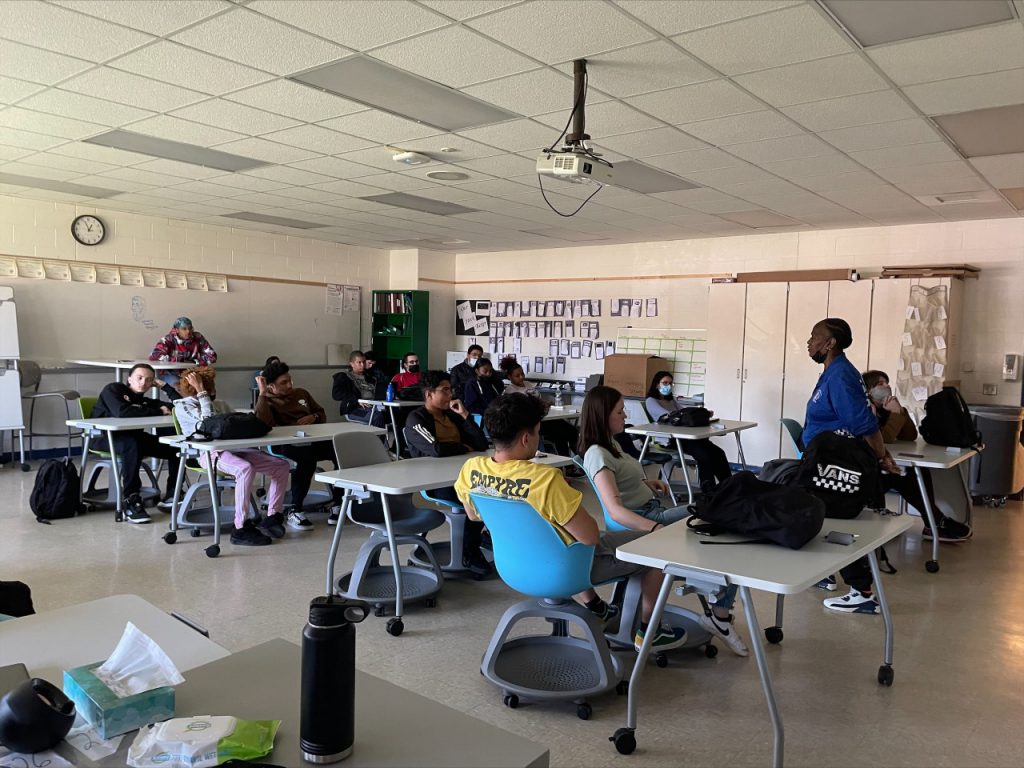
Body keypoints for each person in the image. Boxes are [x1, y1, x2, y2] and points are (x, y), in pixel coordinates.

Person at [454, 393, 687, 652]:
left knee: (564, 535)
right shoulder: (545, 479)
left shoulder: (471, 469)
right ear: (526, 438)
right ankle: (649, 631)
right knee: (651, 549)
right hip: (566, 569)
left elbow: (474, 515)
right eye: (538, 431)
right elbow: (590, 538)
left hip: (513, 566)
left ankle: (598, 608)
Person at [578, 386, 748, 655]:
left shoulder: (612, 445)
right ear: (602, 417)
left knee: (722, 511)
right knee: (727, 518)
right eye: (619, 412)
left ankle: (719, 609)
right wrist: (655, 529)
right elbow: (615, 511)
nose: (625, 416)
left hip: (649, 509)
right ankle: (720, 615)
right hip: (645, 519)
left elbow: (620, 481)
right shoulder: (598, 453)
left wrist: (646, 482)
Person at [804, 318, 901, 615]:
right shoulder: (834, 371)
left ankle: (862, 592)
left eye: (814, 336)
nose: (809, 342)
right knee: (825, 519)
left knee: (841, 522)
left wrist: (881, 456)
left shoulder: (841, 375)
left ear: (830, 343)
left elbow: (863, 422)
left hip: (838, 464)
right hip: (826, 460)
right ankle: (828, 575)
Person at [174, 368, 291, 545]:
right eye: (207, 386)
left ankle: (273, 516)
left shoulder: (221, 404)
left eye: (210, 386)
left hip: (236, 449)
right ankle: (240, 527)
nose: (212, 390)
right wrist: (201, 392)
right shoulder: (183, 406)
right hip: (208, 454)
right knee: (244, 468)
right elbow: (207, 423)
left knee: (281, 466)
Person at [862, 370, 971, 542]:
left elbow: (909, 435)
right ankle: (936, 521)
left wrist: (900, 412)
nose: (886, 386)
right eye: (880, 384)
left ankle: (933, 522)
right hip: (867, 469)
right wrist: (896, 415)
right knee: (903, 476)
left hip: (882, 465)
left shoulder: (888, 407)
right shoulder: (866, 409)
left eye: (886, 382)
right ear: (868, 391)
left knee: (917, 471)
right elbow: (885, 439)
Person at [405, 370, 490, 574]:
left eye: (450, 390)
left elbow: (480, 444)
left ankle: (479, 538)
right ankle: (470, 550)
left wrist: (465, 415)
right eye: (445, 390)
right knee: (474, 498)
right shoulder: (416, 418)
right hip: (435, 482)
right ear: (429, 394)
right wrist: (462, 447)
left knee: (492, 493)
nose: (450, 395)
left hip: (460, 475)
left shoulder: (451, 415)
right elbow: (435, 449)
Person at [90, 363, 181, 524]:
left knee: (176, 447)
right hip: (103, 439)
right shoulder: (114, 390)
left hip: (134, 440)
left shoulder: (144, 401)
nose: (143, 383)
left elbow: (179, 407)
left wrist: (166, 387)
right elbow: (122, 412)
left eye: (149, 380)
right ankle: (131, 499)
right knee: (131, 443)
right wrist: (158, 411)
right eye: (139, 378)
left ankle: (173, 493)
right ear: (129, 379)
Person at [255, 360, 341, 530]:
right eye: (283, 383)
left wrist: (313, 418)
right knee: (307, 460)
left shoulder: (301, 393)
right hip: (284, 444)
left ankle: (339, 503)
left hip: (311, 439)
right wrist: (262, 394)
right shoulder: (268, 401)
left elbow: (321, 413)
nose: (290, 385)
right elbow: (262, 423)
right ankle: (295, 510)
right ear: (271, 386)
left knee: (342, 452)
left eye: (290, 380)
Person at [644, 371, 731, 493]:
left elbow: (684, 412)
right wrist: (684, 417)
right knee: (703, 455)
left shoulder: (671, 400)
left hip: (685, 436)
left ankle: (729, 486)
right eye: (664, 383)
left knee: (718, 452)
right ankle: (709, 492)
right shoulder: (651, 401)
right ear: (657, 384)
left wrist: (700, 414)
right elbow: (666, 417)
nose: (667, 386)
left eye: (670, 383)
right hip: (670, 439)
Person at [499, 356, 582, 473]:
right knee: (561, 434)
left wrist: (546, 404)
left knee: (571, 431)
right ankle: (569, 467)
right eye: (517, 376)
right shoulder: (510, 391)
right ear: (510, 377)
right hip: (531, 424)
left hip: (545, 418)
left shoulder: (528, 384)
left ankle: (579, 462)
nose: (521, 377)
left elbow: (538, 400)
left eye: (522, 374)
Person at [149, 316, 217, 393]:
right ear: (177, 330)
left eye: (190, 328)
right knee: (180, 388)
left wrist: (194, 362)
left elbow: (212, 356)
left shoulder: (198, 337)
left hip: (191, 372)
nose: (188, 331)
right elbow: (155, 355)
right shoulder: (168, 339)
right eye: (184, 329)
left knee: (209, 388)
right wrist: (181, 360)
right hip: (170, 373)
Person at [332, 350, 387, 427]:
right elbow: (336, 394)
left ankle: (398, 439)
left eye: (364, 362)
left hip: (374, 406)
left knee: (396, 414)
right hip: (354, 409)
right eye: (359, 362)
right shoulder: (344, 377)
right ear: (352, 364)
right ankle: (376, 439)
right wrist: (356, 400)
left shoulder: (371, 378)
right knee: (377, 416)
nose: (362, 365)